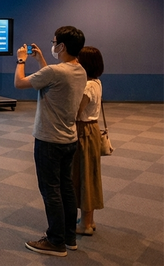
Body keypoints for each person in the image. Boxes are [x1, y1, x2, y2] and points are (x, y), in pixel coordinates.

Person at [15, 26, 86, 257]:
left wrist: (21, 60)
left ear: (62, 46)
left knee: (50, 190)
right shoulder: (79, 70)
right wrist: (41, 60)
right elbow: (51, 80)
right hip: (69, 139)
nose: (53, 45)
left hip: (49, 140)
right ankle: (69, 237)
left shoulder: (55, 72)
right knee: (66, 188)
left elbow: (19, 83)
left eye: (54, 42)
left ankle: (55, 241)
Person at [73, 46, 105, 236]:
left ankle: (85, 224)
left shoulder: (87, 87)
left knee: (83, 176)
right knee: (90, 175)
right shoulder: (96, 82)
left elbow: (76, 111)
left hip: (83, 131)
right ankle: (89, 220)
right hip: (92, 130)